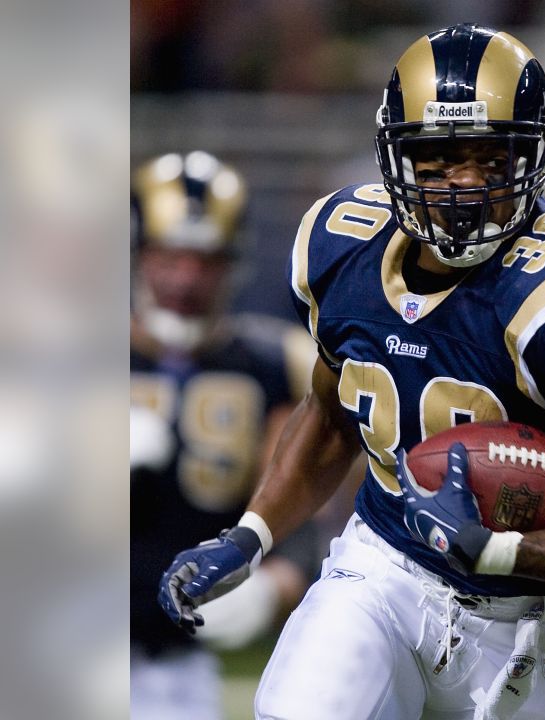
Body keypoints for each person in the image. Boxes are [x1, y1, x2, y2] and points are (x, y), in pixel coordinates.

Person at [157, 23, 545, 720]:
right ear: (393, 156)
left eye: (489, 159)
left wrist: (496, 550)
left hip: (524, 618)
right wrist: (250, 534)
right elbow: (328, 416)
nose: (462, 186)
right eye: (436, 159)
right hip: (383, 568)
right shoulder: (337, 245)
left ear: (535, 158)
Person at [130, 151, 322, 720]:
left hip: (177, 660)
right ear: (140, 255)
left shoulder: (278, 364)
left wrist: (277, 585)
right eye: (171, 257)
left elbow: (306, 504)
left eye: (206, 260)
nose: (187, 279)